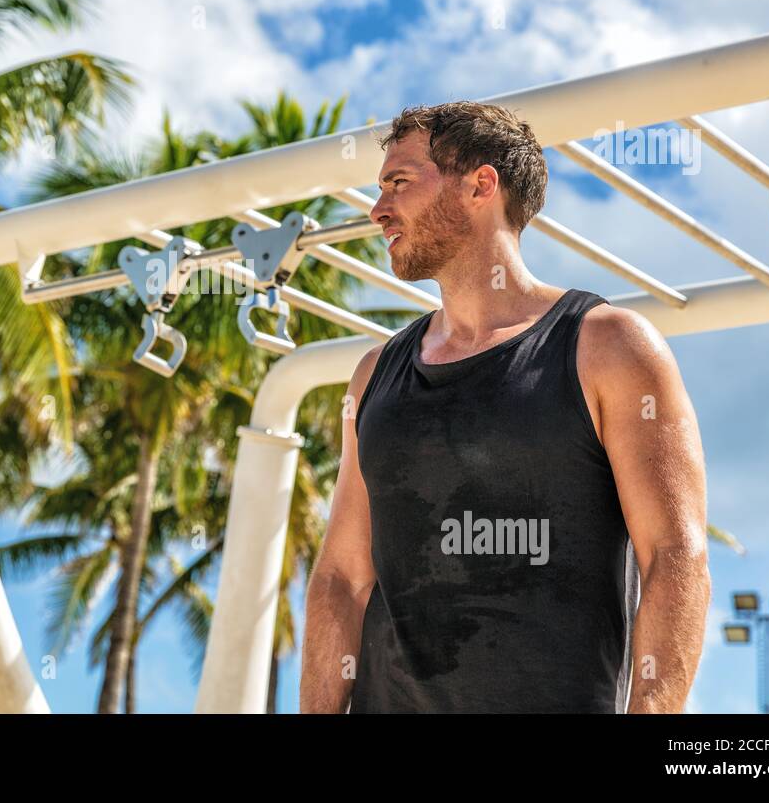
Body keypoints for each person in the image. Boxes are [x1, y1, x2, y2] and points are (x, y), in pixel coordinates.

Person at [300, 101, 711, 713]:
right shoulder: (375, 374)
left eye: (399, 182)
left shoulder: (608, 347)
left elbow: (675, 557)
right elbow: (341, 577)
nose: (378, 208)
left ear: (480, 185)